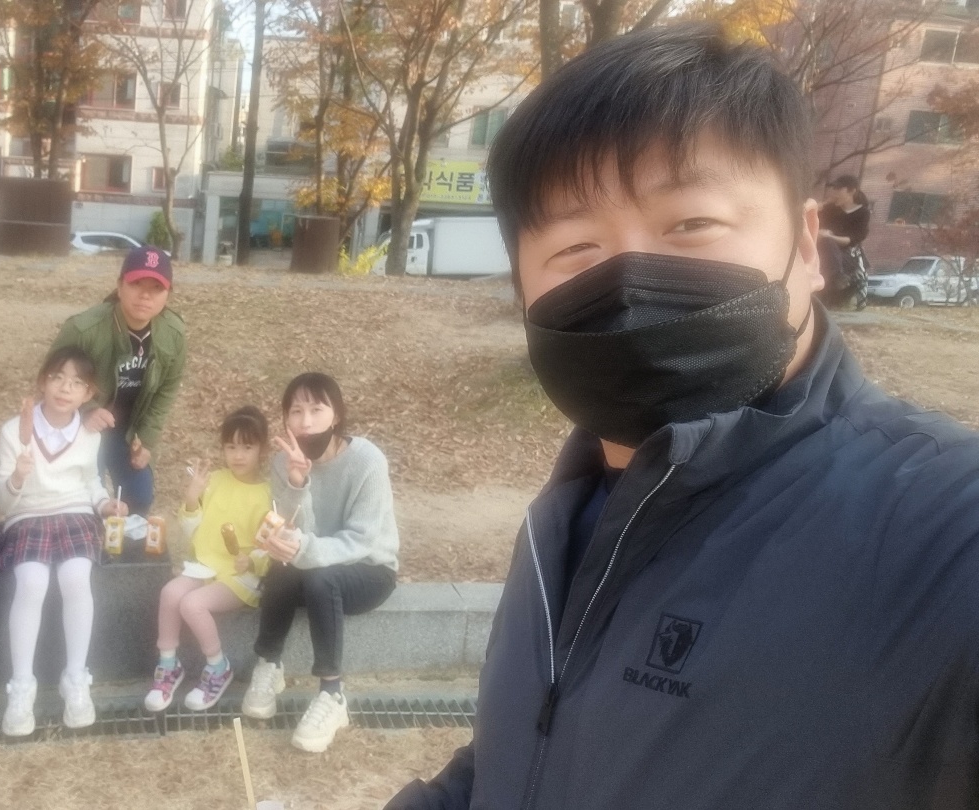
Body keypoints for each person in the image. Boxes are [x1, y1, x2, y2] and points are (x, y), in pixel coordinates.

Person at [388, 24, 979, 809]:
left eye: (690, 224)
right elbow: (526, 754)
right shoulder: (571, 514)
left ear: (807, 247)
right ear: (524, 289)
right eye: (575, 248)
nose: (629, 278)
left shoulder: (942, 535)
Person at [240, 373, 399, 754]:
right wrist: (298, 484)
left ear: (336, 415)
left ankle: (332, 694)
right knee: (283, 564)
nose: (306, 422)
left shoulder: (367, 460)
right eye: (296, 411)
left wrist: (302, 550)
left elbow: (362, 540)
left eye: (316, 409)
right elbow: (295, 530)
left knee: (319, 577)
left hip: (370, 568)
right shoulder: (283, 462)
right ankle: (269, 663)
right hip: (314, 565)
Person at [0, 346, 126, 736]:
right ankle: (21, 685)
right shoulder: (13, 431)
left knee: (75, 577)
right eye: (57, 378)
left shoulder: (88, 432)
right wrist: (18, 476)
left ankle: (75, 677)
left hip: (75, 513)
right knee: (31, 581)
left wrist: (104, 504)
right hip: (27, 516)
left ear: (88, 393)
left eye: (77, 383)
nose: (65, 389)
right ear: (42, 382)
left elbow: (90, 481)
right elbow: (0, 500)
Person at [144, 406, 273, 713]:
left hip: (239, 576)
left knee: (192, 604)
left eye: (247, 447)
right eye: (231, 447)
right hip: (204, 565)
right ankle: (168, 665)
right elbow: (193, 530)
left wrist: (252, 562)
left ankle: (218, 667)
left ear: (262, 449)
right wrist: (192, 498)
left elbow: (269, 545)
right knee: (170, 593)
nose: (238, 455)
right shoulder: (214, 480)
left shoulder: (267, 494)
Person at [50, 246, 187, 517]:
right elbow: (50, 380)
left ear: (168, 294)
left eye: (156, 288)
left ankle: (126, 543)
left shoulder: (173, 334)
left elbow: (168, 388)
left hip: (128, 430)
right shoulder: (83, 329)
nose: (145, 295)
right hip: (83, 427)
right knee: (86, 501)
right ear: (120, 285)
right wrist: (85, 411)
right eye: (136, 284)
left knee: (140, 499)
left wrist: (147, 439)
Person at [818, 174, 871, 309]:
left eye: (838, 189)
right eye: (834, 188)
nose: (834, 192)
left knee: (828, 242)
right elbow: (810, 219)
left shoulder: (862, 213)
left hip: (846, 255)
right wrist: (823, 204)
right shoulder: (830, 209)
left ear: (851, 191)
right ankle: (833, 285)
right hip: (824, 253)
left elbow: (852, 240)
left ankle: (838, 278)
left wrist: (829, 237)